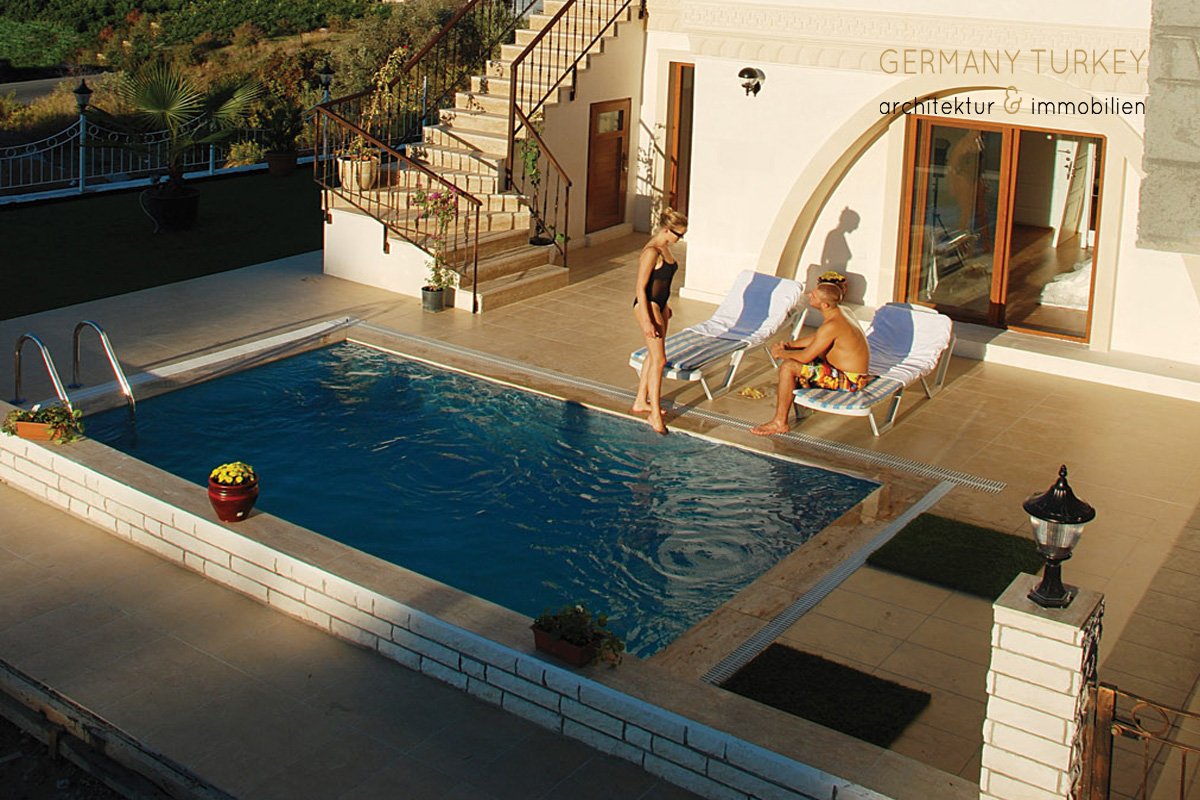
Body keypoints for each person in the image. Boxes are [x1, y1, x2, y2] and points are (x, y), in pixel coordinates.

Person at [751, 282, 870, 436]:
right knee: (800, 359)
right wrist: (789, 345)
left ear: (825, 305)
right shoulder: (841, 312)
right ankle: (801, 410)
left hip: (850, 381)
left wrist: (781, 353)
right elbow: (818, 338)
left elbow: (805, 356)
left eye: (813, 295)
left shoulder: (833, 325)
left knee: (789, 367)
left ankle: (780, 422)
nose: (809, 295)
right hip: (846, 373)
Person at [632, 208, 687, 435]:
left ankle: (640, 402)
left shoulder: (665, 247)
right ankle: (654, 413)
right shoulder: (651, 252)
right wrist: (646, 320)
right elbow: (640, 289)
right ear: (666, 230)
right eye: (678, 234)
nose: (680, 239)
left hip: (661, 305)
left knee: (653, 356)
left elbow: (662, 281)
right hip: (649, 306)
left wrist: (667, 306)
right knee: (660, 360)